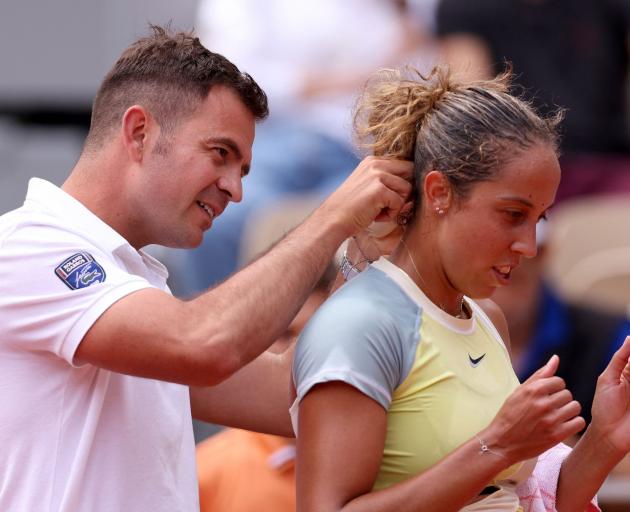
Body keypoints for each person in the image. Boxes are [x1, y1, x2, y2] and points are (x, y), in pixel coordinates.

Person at [0, 26, 413, 512]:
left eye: (243, 171)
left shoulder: (137, 288)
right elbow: (203, 343)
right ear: (139, 132)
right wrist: (334, 215)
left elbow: (291, 394)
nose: (235, 189)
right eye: (221, 154)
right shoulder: (28, 245)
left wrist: (362, 246)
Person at [292, 65, 630, 511]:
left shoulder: (489, 318)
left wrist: (605, 436)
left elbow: (512, 498)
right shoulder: (360, 324)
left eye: (540, 219)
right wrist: (498, 444)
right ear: (439, 193)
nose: (529, 246)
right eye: (513, 214)